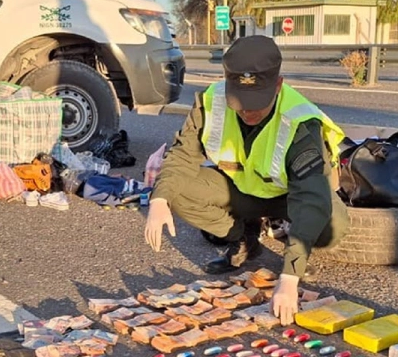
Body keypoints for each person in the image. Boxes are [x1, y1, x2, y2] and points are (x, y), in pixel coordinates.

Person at [143, 35, 349, 325]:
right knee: (174, 190)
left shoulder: (301, 121)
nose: (248, 111)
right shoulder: (210, 102)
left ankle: (287, 236)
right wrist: (160, 199)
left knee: (332, 226)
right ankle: (244, 236)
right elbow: (182, 155)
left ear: (278, 86)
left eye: (258, 102)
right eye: (240, 102)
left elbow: (312, 199)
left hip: (287, 198)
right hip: (239, 190)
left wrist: (290, 277)